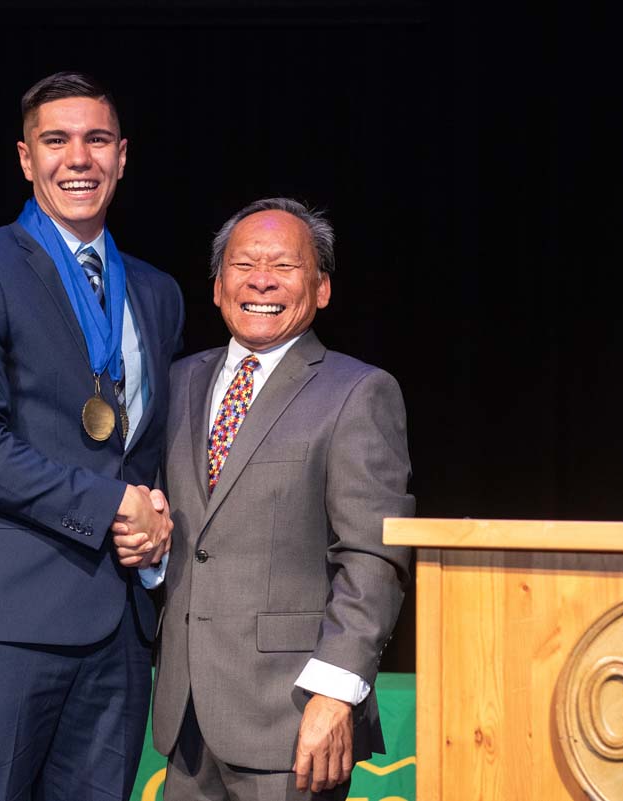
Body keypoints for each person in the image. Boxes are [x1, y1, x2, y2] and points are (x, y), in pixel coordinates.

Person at [0, 71, 184, 801]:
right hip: (6, 624)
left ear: (122, 155)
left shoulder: (156, 291)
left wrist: (157, 524)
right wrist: (113, 506)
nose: (79, 158)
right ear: (26, 158)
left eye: (97, 140)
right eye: (56, 140)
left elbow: (147, 448)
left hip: (121, 629)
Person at [150, 198, 415, 800]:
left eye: (284, 266)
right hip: (186, 720)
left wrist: (336, 691)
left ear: (321, 289)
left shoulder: (357, 392)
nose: (261, 280)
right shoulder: (179, 381)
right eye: (244, 265)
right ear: (217, 286)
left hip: (292, 720)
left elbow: (373, 558)